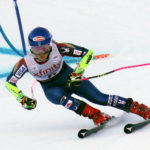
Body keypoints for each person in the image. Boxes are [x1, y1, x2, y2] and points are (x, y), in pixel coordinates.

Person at [5, 27, 150, 126]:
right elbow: (9, 83)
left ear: (50, 44)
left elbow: (88, 53)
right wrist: (22, 98)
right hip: (51, 87)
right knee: (65, 100)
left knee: (99, 98)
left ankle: (140, 108)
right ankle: (96, 116)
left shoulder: (60, 48)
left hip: (67, 77)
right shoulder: (26, 63)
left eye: (44, 47)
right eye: (36, 48)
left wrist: (78, 72)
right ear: (31, 47)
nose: (41, 52)